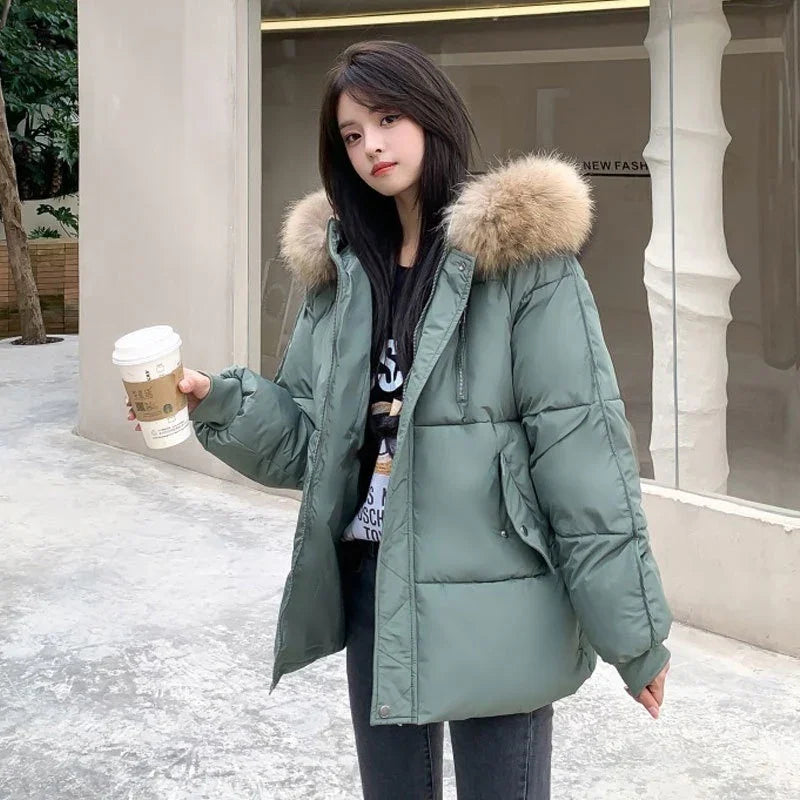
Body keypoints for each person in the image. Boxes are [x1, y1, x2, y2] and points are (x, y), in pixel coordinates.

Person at [128, 40, 672, 800]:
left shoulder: (523, 265)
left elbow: (581, 452)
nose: (371, 146)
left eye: (387, 119)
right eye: (351, 134)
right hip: (374, 586)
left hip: (498, 592)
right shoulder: (344, 270)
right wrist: (215, 399)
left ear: (431, 114)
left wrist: (634, 635)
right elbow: (311, 444)